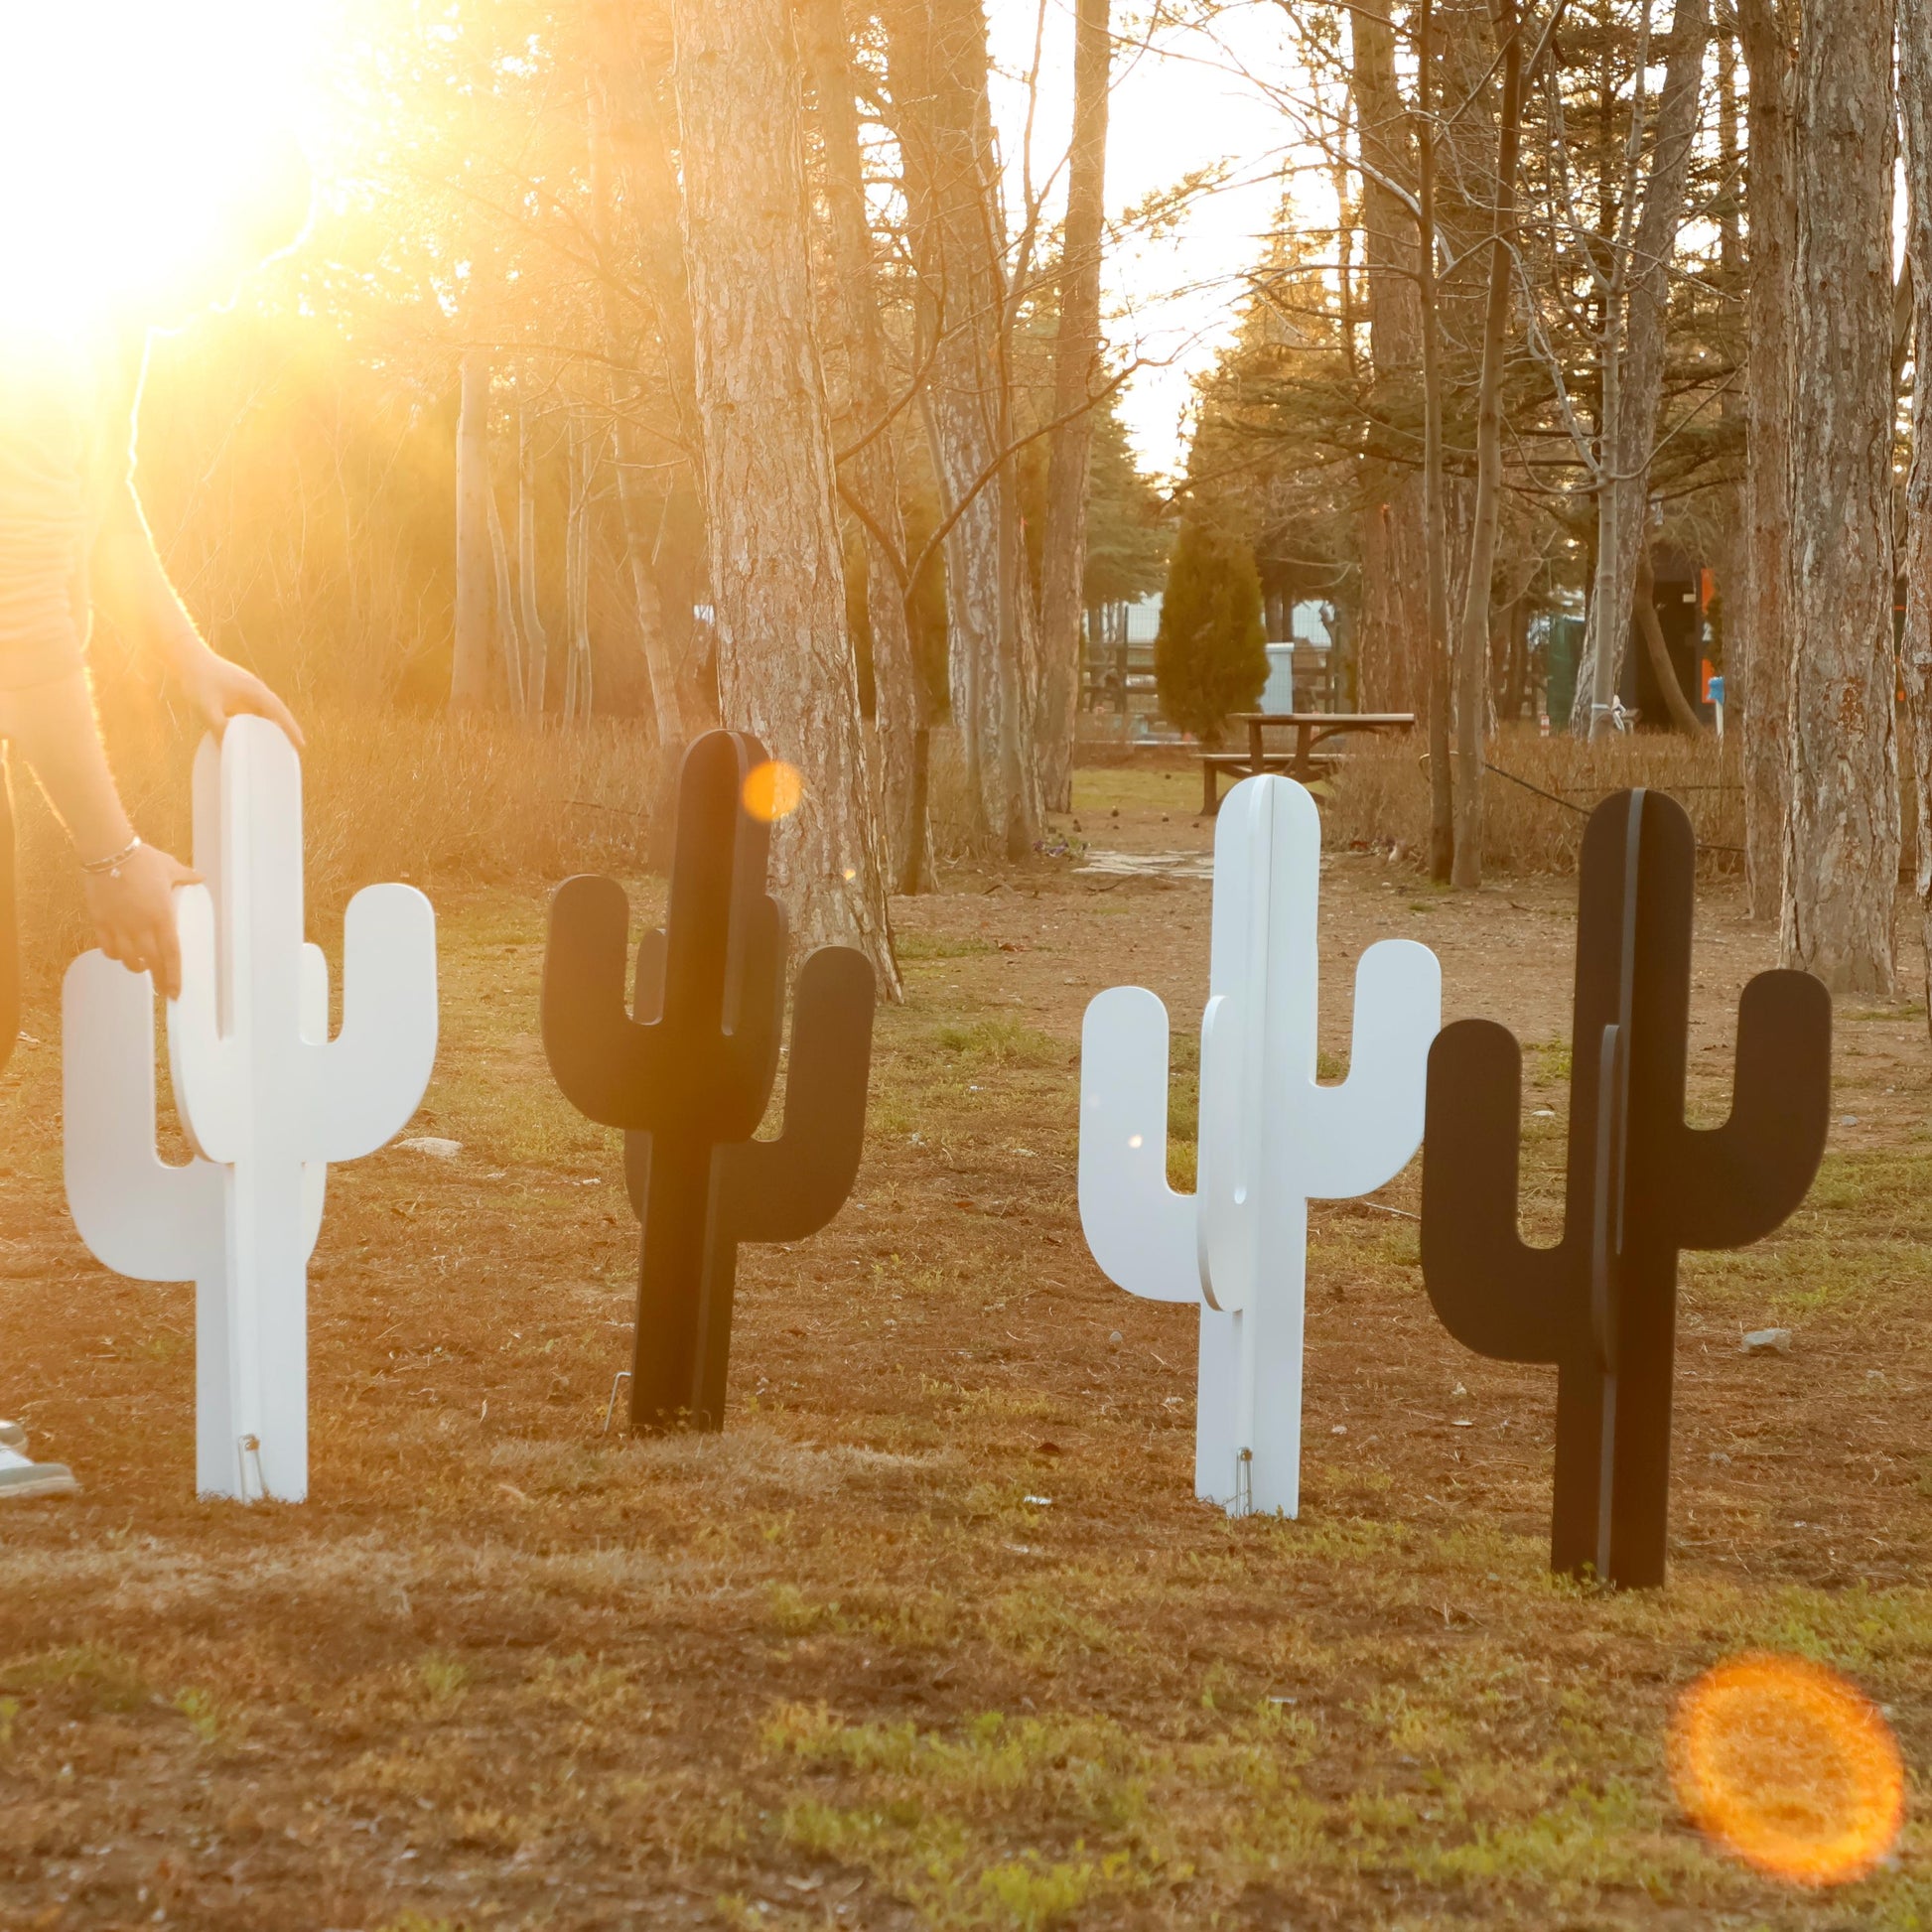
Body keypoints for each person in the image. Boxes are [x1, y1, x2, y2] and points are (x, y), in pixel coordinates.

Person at [0, 133, 309, 1498]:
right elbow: (22, 616)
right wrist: (112, 851)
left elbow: (104, 513)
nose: (231, 293)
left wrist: (185, 655)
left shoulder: (97, 318)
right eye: (238, 255)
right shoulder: (50, 329)